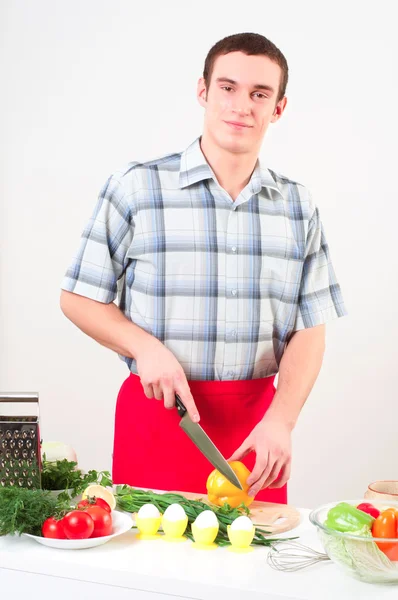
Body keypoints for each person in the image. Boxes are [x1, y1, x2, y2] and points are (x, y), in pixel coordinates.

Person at [60, 32, 346, 503]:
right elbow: (77, 297)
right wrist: (144, 347)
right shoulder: (137, 188)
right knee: (146, 568)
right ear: (203, 91)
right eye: (228, 88)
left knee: (250, 569)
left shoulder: (298, 207)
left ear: (278, 108)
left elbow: (310, 331)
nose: (241, 106)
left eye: (259, 94)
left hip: (256, 435)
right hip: (158, 420)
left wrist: (282, 420)